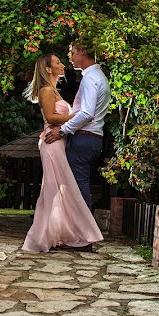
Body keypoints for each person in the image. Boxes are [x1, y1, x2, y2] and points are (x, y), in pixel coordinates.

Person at [21, 53, 104, 252]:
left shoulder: (55, 91)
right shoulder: (47, 91)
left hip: (60, 140)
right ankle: (42, 236)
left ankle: (63, 232)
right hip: (52, 142)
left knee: (62, 188)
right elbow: (50, 117)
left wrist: (72, 119)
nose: (62, 64)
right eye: (57, 62)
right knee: (53, 188)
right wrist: (76, 116)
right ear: (48, 69)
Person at [44, 41, 111, 215]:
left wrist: (62, 130)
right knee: (78, 185)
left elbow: (87, 113)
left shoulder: (90, 79)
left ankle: (84, 235)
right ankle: (80, 233)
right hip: (92, 138)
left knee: (77, 187)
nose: (70, 57)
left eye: (72, 52)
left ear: (82, 52)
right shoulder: (98, 77)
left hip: (84, 138)